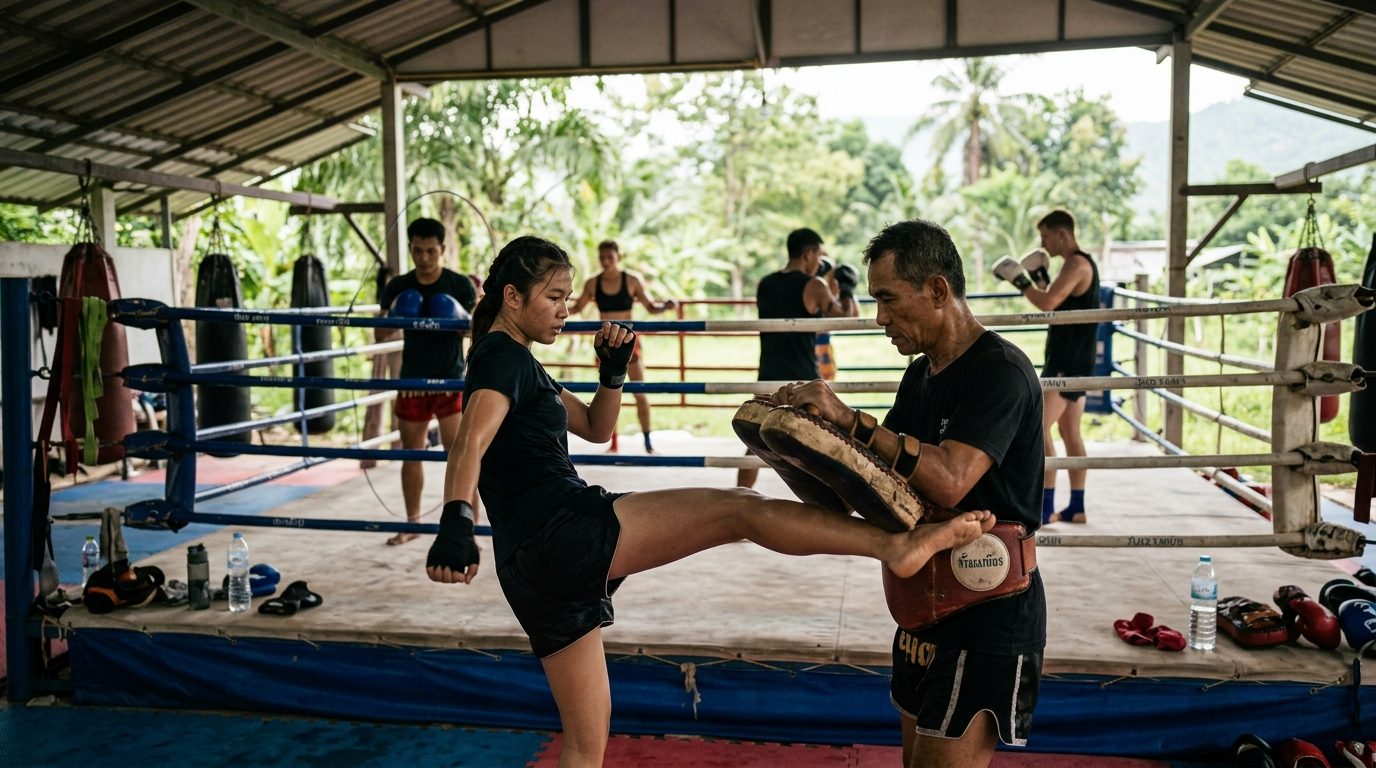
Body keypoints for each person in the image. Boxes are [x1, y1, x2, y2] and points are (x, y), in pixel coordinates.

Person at [426, 235, 995, 768]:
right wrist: (456, 520)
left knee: (583, 742)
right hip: (562, 529)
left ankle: (894, 547)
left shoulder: (518, 361)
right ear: (512, 297)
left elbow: (598, 428)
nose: (565, 310)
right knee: (739, 509)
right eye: (553, 298)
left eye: (567, 298)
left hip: (530, 565)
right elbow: (469, 441)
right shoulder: (501, 357)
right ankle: (894, 547)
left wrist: (611, 373)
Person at [784, 219, 1046, 767]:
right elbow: (869, 492)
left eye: (888, 299)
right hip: (920, 605)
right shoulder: (920, 375)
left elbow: (951, 477)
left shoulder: (999, 372)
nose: (879, 317)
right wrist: (795, 448)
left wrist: (850, 421)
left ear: (938, 290)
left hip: (989, 609)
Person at [992, 209, 1100, 524]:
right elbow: (1059, 301)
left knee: (1039, 428)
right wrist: (1040, 278)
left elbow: (1048, 303)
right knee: (1070, 432)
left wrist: (1020, 280)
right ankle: (1076, 506)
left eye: (1045, 236)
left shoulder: (1076, 264)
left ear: (1062, 234)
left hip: (1067, 361)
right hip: (1077, 359)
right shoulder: (1079, 264)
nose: (1043, 243)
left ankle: (1045, 505)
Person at [376, 217, 479, 545]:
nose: (424, 258)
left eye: (431, 251)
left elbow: (477, 332)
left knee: (461, 457)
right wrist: (394, 315)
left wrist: (460, 320)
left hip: (450, 381)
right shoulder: (398, 286)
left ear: (442, 249)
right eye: (418, 251)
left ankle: (469, 529)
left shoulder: (459, 285)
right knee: (412, 454)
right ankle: (412, 524)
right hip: (413, 382)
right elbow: (380, 334)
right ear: (410, 249)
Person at [737, 228, 851, 490]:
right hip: (803, 379)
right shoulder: (814, 285)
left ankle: (741, 494)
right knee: (819, 443)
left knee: (755, 443)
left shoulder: (765, 284)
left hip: (768, 375)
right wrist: (845, 288)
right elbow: (845, 317)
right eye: (818, 256)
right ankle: (826, 506)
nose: (820, 263)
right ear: (808, 254)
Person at [570, 240, 676, 453]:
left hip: (629, 341)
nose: (606, 262)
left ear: (618, 257)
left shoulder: (632, 280)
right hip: (606, 342)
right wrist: (551, 302)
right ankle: (613, 444)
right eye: (602, 257)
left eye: (610, 257)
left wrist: (665, 306)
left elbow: (651, 307)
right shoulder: (592, 283)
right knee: (607, 393)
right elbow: (577, 308)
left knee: (640, 391)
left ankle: (648, 443)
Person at [813, 259, 861, 381]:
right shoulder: (816, 291)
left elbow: (855, 316)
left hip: (823, 346)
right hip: (811, 347)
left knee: (825, 383)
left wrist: (847, 292)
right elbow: (847, 318)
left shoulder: (835, 297)